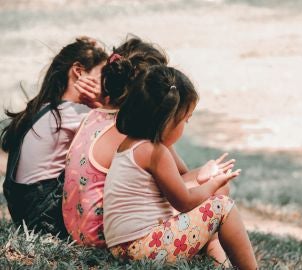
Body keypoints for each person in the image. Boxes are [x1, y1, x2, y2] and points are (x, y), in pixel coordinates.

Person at [103, 65, 257, 269]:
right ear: (167, 120)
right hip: (143, 249)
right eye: (185, 120)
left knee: (215, 198)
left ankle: (220, 263)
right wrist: (214, 184)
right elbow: (184, 201)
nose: (186, 125)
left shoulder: (130, 144)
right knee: (222, 206)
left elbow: (176, 189)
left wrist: (205, 181)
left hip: (123, 248)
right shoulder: (155, 152)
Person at [62, 37, 168, 247]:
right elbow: (175, 182)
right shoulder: (130, 133)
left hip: (76, 229)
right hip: (105, 235)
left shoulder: (91, 115)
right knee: (212, 193)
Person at [0, 37, 108, 238]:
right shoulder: (74, 113)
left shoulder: (45, 108)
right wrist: (102, 103)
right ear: (78, 71)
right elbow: (121, 132)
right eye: (102, 76)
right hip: (45, 219)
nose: (105, 85)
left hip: (25, 213)